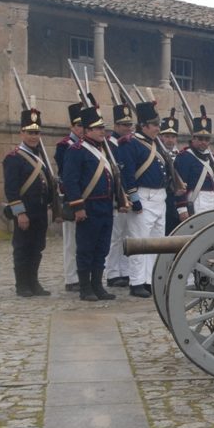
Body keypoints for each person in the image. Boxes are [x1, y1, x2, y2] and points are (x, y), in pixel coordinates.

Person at [61, 105, 119, 302]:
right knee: (86, 248)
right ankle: (85, 287)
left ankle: (97, 285)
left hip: (105, 206)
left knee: (102, 248)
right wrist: (78, 207)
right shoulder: (76, 151)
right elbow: (70, 180)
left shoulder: (104, 150)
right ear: (86, 130)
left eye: (102, 127)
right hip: (89, 206)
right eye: (97, 128)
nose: (102, 131)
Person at [117, 101, 170, 298]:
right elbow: (127, 173)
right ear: (144, 126)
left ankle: (150, 280)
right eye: (155, 125)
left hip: (159, 197)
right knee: (139, 242)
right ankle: (137, 281)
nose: (158, 128)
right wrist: (133, 198)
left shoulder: (155, 144)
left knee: (157, 243)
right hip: (143, 198)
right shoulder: (129, 144)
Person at [2, 104, 54, 297]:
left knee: (37, 248)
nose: (34, 136)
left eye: (37, 132)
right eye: (30, 132)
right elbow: (11, 190)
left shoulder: (40, 157)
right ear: (21, 132)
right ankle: (22, 285)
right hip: (25, 210)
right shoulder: (14, 158)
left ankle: (34, 282)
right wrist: (20, 213)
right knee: (23, 248)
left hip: (40, 209)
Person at [174, 107, 214, 219]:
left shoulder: (211, 158)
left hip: (213, 201)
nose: (204, 142)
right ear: (193, 138)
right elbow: (179, 185)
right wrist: (182, 208)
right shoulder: (184, 157)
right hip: (196, 201)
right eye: (200, 139)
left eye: (207, 139)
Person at [103, 103, 134, 289]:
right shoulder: (109, 145)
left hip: (127, 195)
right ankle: (113, 273)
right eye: (124, 125)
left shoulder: (128, 145)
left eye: (129, 125)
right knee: (115, 238)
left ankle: (125, 271)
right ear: (116, 126)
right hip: (115, 197)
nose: (127, 129)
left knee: (127, 237)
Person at [55, 103, 84, 292]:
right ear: (72, 127)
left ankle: (82, 275)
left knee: (83, 242)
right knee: (71, 242)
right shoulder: (64, 146)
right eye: (78, 125)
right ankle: (71, 277)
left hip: (86, 197)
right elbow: (67, 173)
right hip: (72, 197)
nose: (81, 129)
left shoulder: (88, 146)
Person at [159, 109, 182, 234]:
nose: (170, 140)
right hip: (162, 199)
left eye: (173, 137)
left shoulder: (181, 156)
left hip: (178, 201)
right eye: (167, 136)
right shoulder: (158, 156)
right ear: (161, 137)